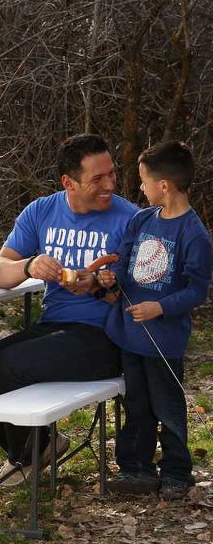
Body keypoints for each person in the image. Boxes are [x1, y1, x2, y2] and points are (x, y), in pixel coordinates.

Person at [0, 134, 138, 485]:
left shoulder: (131, 220)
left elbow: (141, 294)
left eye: (111, 174)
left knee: (10, 366)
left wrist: (97, 286)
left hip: (107, 336)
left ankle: (28, 456)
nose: (110, 184)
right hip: (54, 326)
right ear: (69, 182)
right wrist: (29, 265)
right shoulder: (41, 211)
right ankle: (42, 446)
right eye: (97, 178)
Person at [96, 141, 212, 500]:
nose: (141, 188)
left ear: (164, 185)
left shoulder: (194, 235)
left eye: (144, 181)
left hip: (164, 340)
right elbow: (122, 264)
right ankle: (136, 469)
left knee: (168, 407)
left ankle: (177, 472)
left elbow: (196, 290)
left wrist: (159, 308)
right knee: (137, 405)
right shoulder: (141, 220)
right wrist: (110, 279)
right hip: (129, 335)